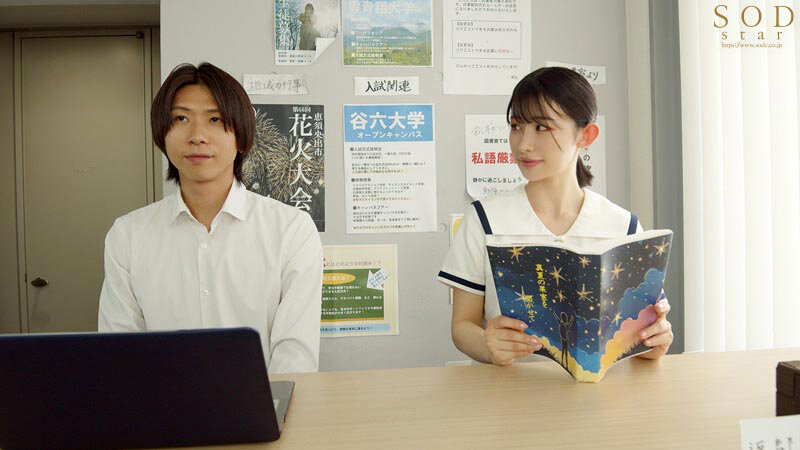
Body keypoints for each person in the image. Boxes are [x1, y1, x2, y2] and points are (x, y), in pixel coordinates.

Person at [438, 67, 673, 366]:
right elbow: (462, 326)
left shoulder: (623, 226)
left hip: (599, 391)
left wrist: (655, 341)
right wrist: (488, 345)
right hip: (508, 388)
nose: (523, 144)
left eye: (542, 127)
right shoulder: (484, 219)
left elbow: (643, 333)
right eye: (516, 126)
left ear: (586, 135)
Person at [98, 62, 322, 374]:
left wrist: (265, 404)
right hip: (160, 404)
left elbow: (295, 355)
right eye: (181, 118)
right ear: (162, 134)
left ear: (241, 136)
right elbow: (119, 352)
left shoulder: (291, 230)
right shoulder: (128, 235)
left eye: (215, 119)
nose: (198, 136)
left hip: (263, 403)